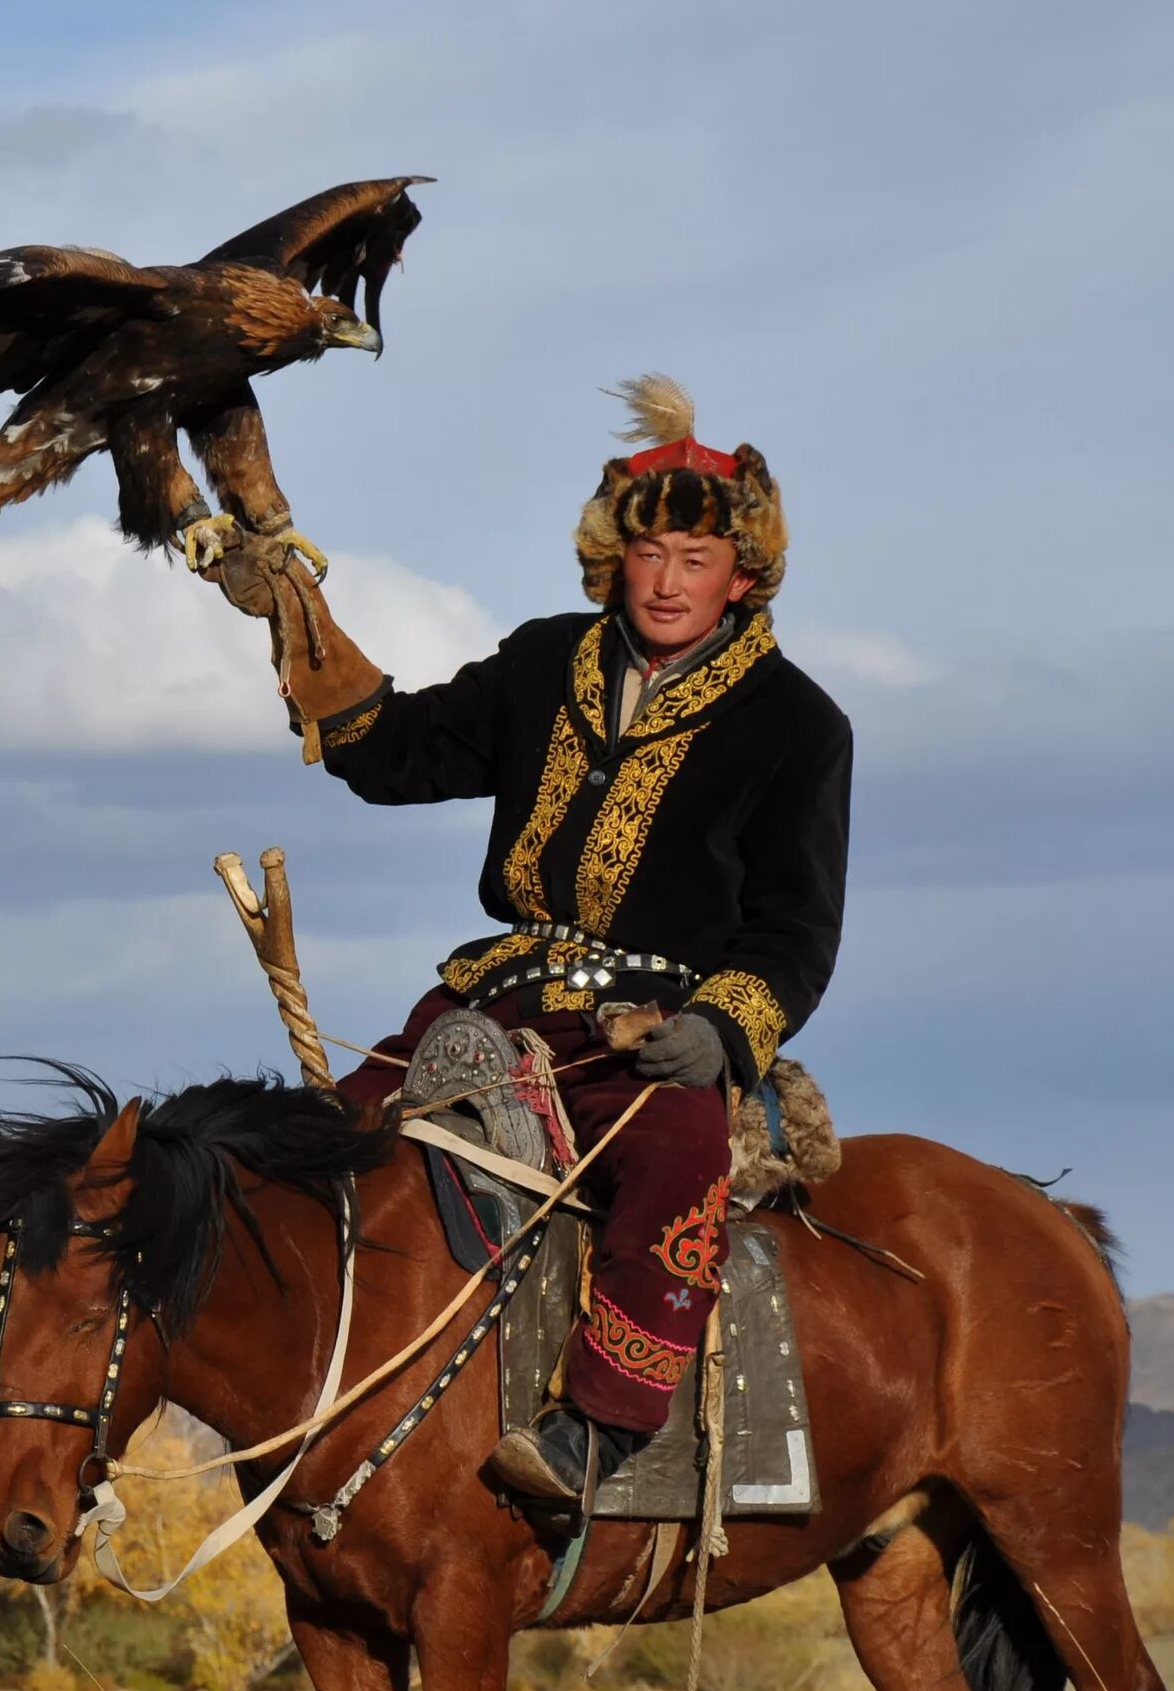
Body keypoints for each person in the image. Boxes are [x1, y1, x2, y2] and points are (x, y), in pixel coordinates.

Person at [206, 377, 851, 1506]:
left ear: (742, 575)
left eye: (696, 558)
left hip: (653, 1031)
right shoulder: (547, 660)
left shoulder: (798, 724)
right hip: (491, 1005)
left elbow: (797, 926)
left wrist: (719, 1030)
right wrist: (294, 612)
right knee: (323, 1151)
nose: (668, 581)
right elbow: (391, 750)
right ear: (616, 559)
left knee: (676, 1161)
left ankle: (602, 1427)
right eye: (650, 555)